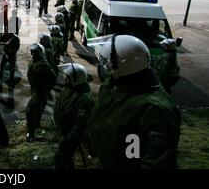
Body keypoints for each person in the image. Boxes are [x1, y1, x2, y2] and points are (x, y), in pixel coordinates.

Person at [90, 35, 181, 169]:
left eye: (107, 62)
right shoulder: (113, 85)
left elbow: (155, 163)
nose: (103, 66)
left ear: (123, 65)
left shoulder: (156, 110)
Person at [53, 63, 94, 169]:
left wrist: (67, 141)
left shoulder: (84, 99)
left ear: (75, 79)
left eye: (67, 76)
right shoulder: (70, 87)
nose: (64, 78)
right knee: (66, 159)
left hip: (71, 138)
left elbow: (81, 126)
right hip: (65, 133)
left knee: (62, 159)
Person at [26, 43, 57, 142]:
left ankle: (31, 134)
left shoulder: (43, 65)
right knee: (38, 109)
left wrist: (45, 89)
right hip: (36, 90)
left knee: (29, 110)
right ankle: (37, 126)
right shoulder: (36, 62)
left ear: (39, 53)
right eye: (31, 52)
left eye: (34, 52)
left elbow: (52, 77)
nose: (32, 54)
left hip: (39, 91)